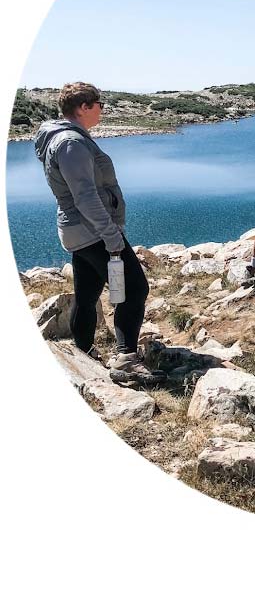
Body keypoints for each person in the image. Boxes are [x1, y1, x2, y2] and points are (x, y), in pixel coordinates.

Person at [34, 82, 159, 386]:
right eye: (98, 104)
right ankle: (126, 359)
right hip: (92, 231)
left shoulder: (65, 139)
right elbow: (85, 196)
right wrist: (112, 236)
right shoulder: (70, 143)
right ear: (83, 108)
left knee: (87, 293)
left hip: (78, 231)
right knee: (135, 289)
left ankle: (84, 353)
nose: (102, 108)